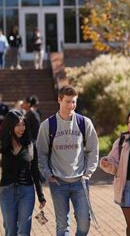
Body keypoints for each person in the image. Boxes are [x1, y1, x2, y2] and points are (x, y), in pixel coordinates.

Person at [37, 86, 99, 236]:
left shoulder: (85, 123)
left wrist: (88, 173)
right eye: (67, 102)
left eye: (74, 102)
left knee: (84, 223)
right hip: (58, 183)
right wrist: (48, 175)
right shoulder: (48, 125)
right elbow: (41, 154)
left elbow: (93, 150)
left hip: (80, 182)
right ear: (59, 100)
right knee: (62, 224)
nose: (71, 105)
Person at [0, 110, 46, 236]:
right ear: (10, 126)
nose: (22, 128)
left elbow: (35, 171)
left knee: (24, 230)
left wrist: (41, 195)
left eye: (23, 124)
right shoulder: (0, 146)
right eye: (18, 125)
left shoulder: (30, 146)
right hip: (6, 191)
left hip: (27, 192)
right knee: (10, 230)